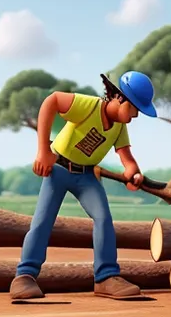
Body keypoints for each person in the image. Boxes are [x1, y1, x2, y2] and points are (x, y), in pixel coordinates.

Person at [10, 71, 157, 301]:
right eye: (135, 108)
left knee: (103, 218)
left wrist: (133, 173)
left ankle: (106, 277)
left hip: (87, 176)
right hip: (58, 168)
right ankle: (25, 276)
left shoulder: (119, 126)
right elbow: (52, 101)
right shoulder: (88, 106)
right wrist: (43, 150)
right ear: (119, 98)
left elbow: (127, 158)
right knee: (43, 220)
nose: (136, 115)